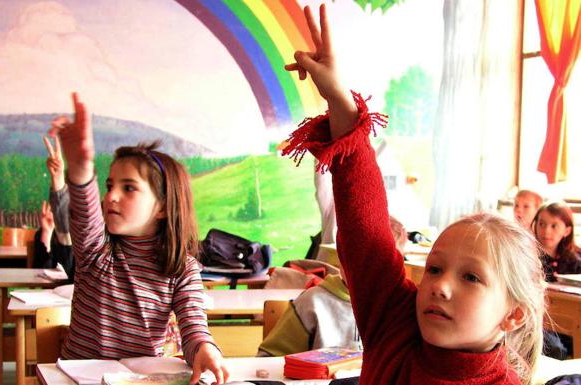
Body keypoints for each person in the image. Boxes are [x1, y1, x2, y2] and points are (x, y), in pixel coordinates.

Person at [281, 5, 544, 384]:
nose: (440, 285)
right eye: (434, 269)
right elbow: (365, 233)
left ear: (513, 315)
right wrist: (340, 101)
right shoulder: (395, 324)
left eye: (471, 277)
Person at [47, 93, 228, 384]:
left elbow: (194, 326)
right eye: (109, 185)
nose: (111, 196)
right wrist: (80, 169)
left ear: (163, 207)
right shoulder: (96, 250)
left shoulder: (182, 268)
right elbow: (84, 212)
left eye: (129, 188)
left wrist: (206, 349)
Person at [257, 216, 406, 357]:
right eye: (359, 259)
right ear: (341, 260)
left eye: (385, 264)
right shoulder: (312, 303)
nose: (370, 273)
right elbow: (268, 360)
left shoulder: (401, 308)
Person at [33, 136, 74, 283]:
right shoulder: (44, 233)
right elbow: (40, 270)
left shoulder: (85, 236)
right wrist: (47, 233)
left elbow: (69, 272)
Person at [534, 201, 581, 282]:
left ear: (567, 231)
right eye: (541, 224)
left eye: (554, 226)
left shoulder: (574, 261)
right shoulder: (528, 257)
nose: (546, 231)